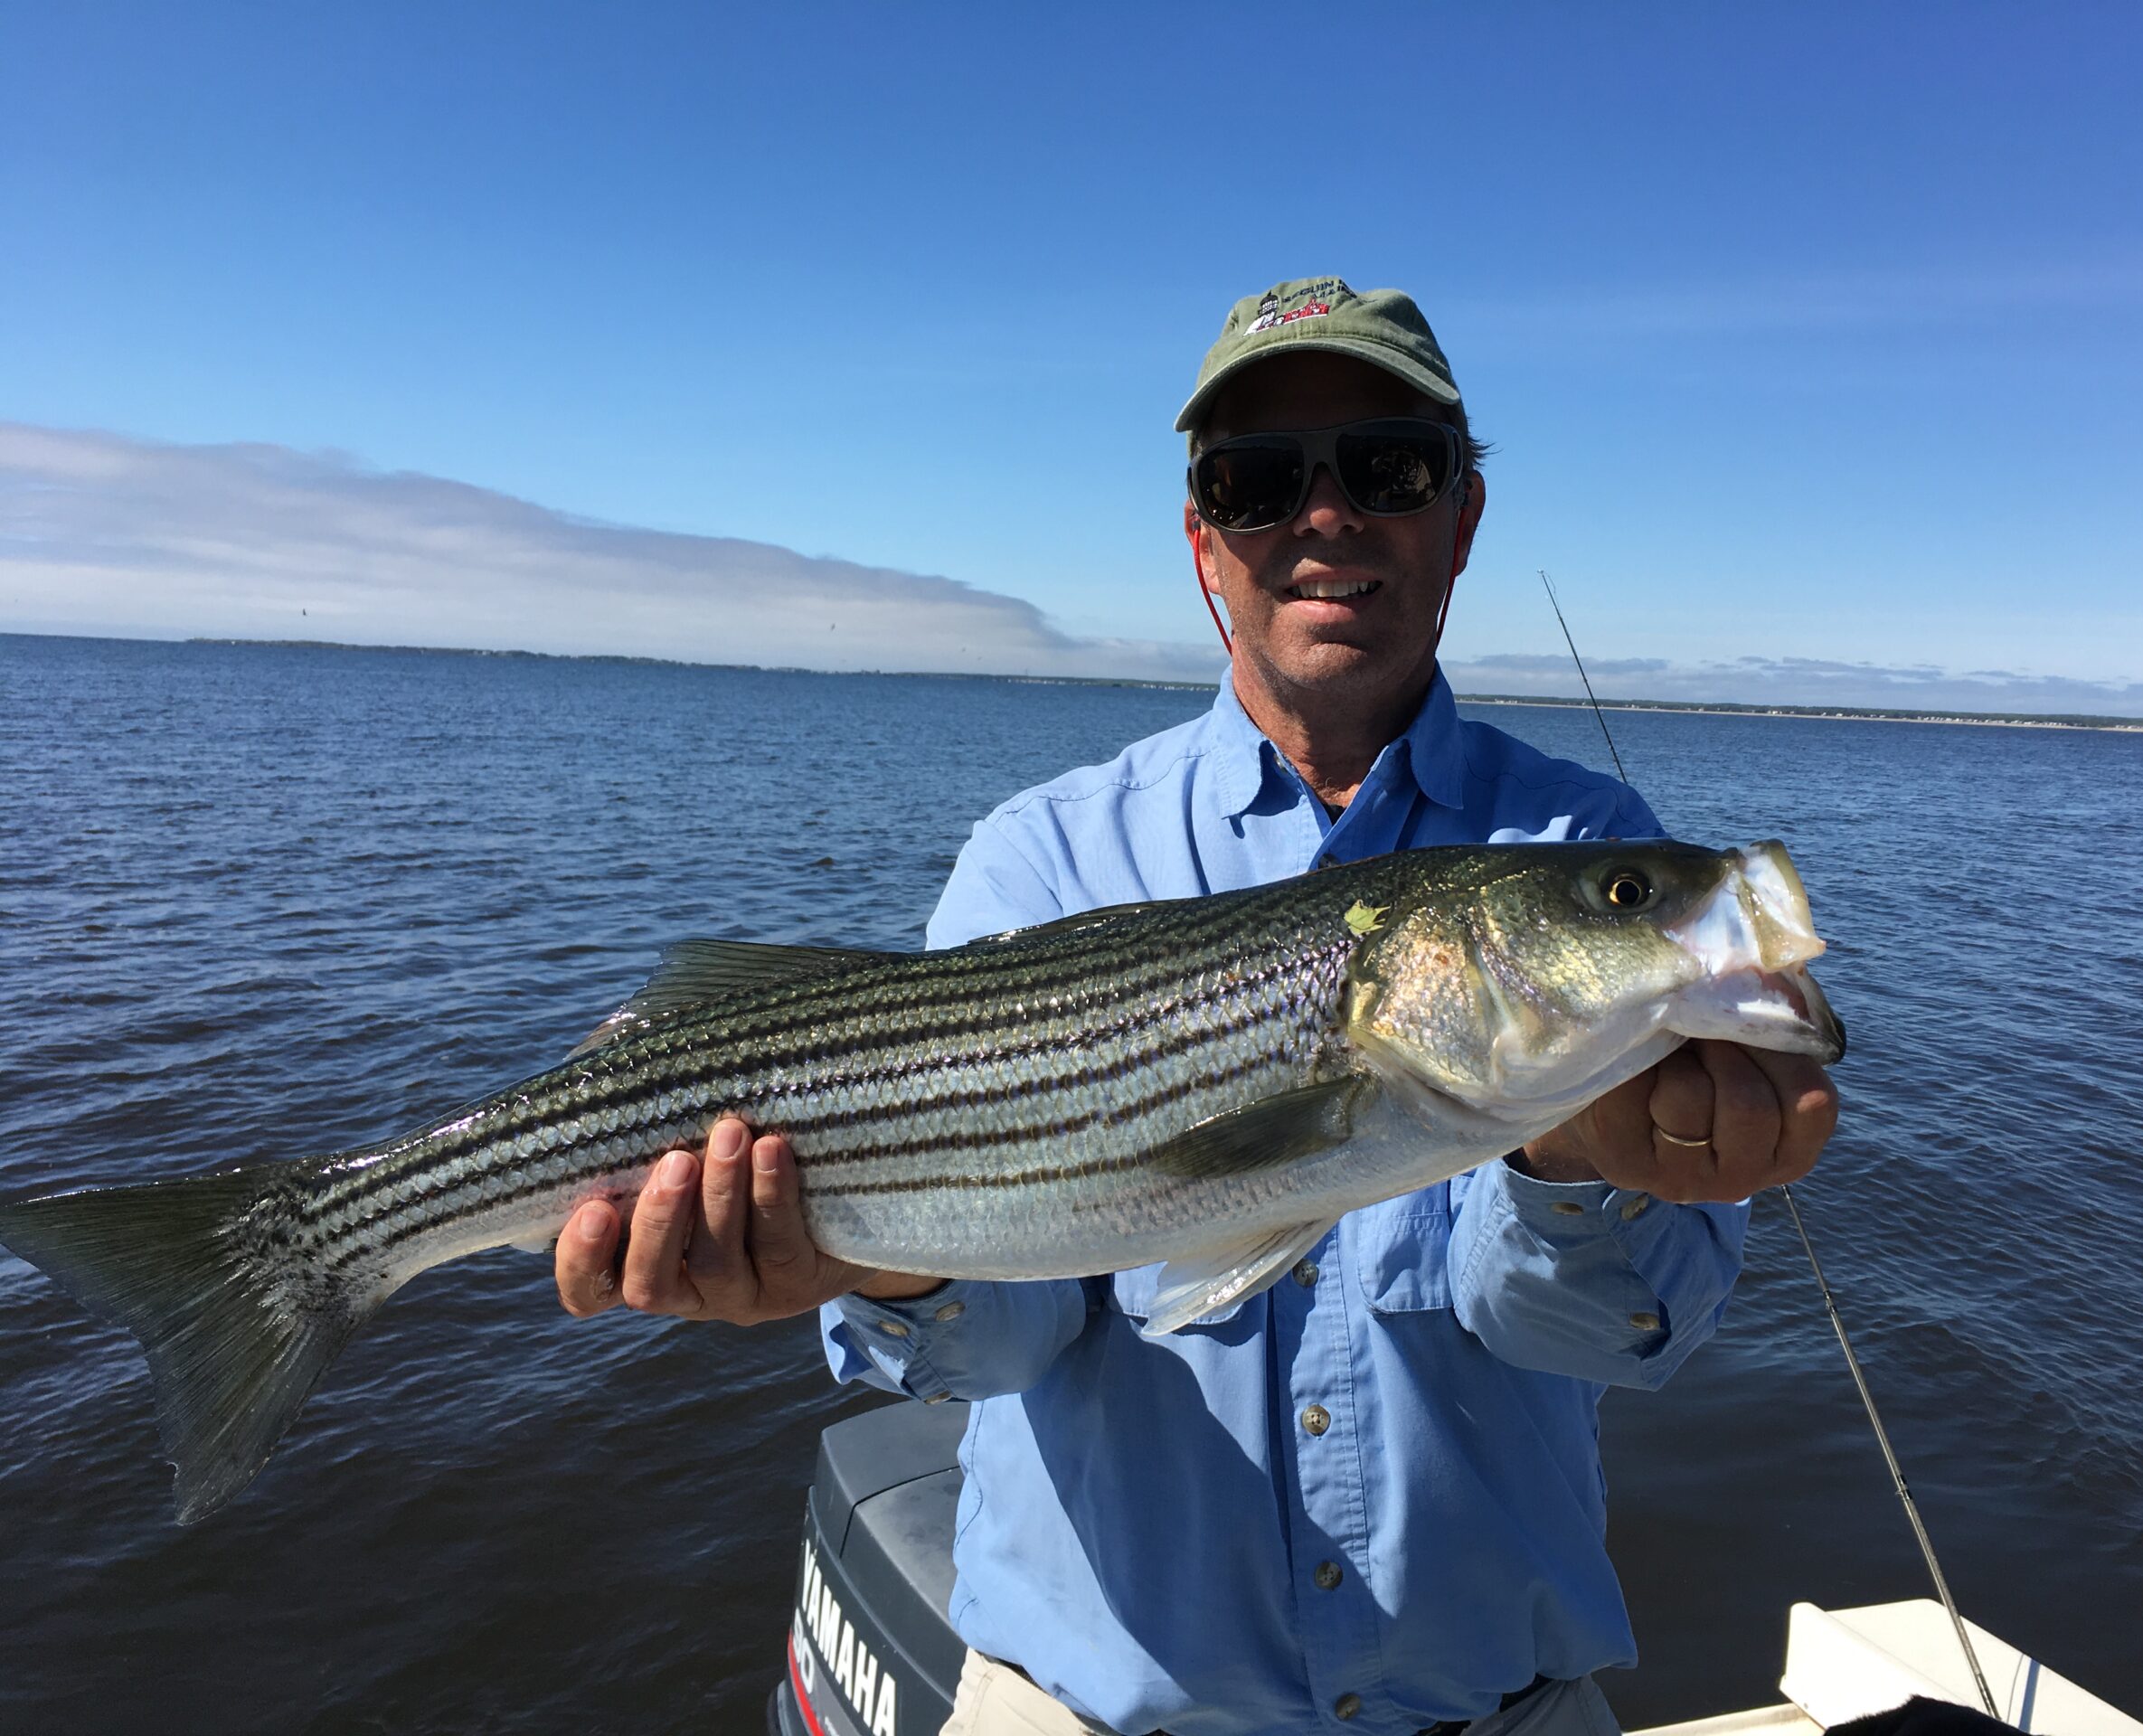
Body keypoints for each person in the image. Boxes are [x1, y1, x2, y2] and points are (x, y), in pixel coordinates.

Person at [554, 278, 1838, 1736]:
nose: (1326, 517)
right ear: (1201, 541)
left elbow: (1605, 1343)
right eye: (1256, 480)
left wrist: (1575, 1164)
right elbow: (1006, 1348)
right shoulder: (1043, 853)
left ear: (1461, 519)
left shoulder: (1580, 838)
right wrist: (873, 1266)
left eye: (1389, 468)